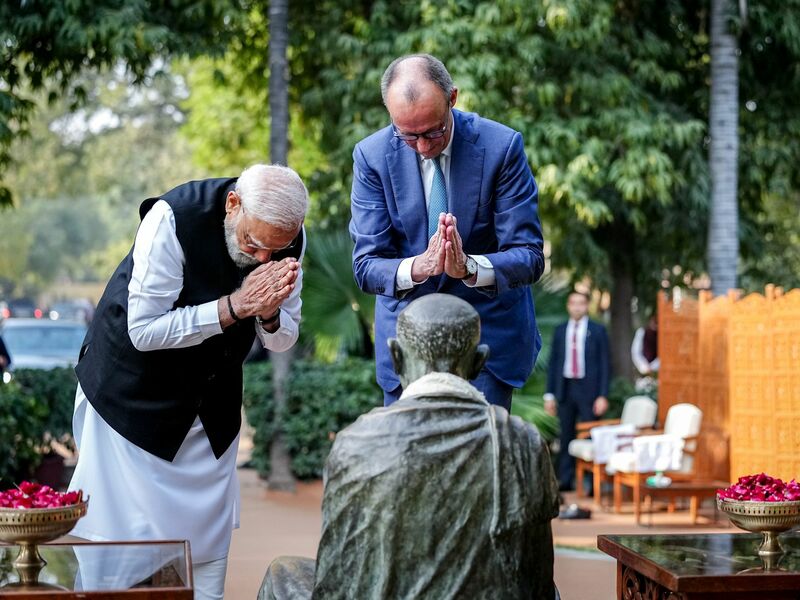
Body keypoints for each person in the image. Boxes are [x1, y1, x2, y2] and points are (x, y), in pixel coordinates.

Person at [67, 164, 308, 600]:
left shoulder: (284, 241)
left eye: (276, 249)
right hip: (130, 404)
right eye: (253, 243)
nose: (262, 259)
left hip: (209, 414)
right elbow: (144, 330)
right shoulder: (172, 219)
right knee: (120, 551)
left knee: (203, 552)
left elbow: (283, 338)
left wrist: (270, 310)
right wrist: (235, 306)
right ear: (233, 204)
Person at [260, 294, 560, 600]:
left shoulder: (356, 442)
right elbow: (536, 583)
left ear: (396, 357)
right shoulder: (522, 440)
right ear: (479, 361)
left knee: (281, 574)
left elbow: (335, 585)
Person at [349, 53, 545, 411]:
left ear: (452, 98)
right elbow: (366, 265)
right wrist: (419, 266)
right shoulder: (371, 157)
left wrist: (469, 267)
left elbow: (529, 256)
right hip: (407, 348)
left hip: (485, 345)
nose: (423, 147)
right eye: (409, 136)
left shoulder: (501, 148)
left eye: (433, 131)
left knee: (481, 463)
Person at [544, 291, 611, 492]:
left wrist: (603, 395)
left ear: (587, 305)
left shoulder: (597, 330)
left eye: (581, 303)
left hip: (589, 390)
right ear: (568, 306)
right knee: (565, 436)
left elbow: (606, 364)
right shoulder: (560, 330)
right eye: (573, 303)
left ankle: (592, 483)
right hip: (566, 388)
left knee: (592, 434)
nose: (577, 307)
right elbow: (554, 363)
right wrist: (549, 395)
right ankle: (566, 479)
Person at [632, 313, 659, 390]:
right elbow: (636, 352)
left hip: (657, 374)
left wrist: (653, 367)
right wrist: (644, 366)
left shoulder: (662, 334)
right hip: (643, 373)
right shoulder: (642, 332)